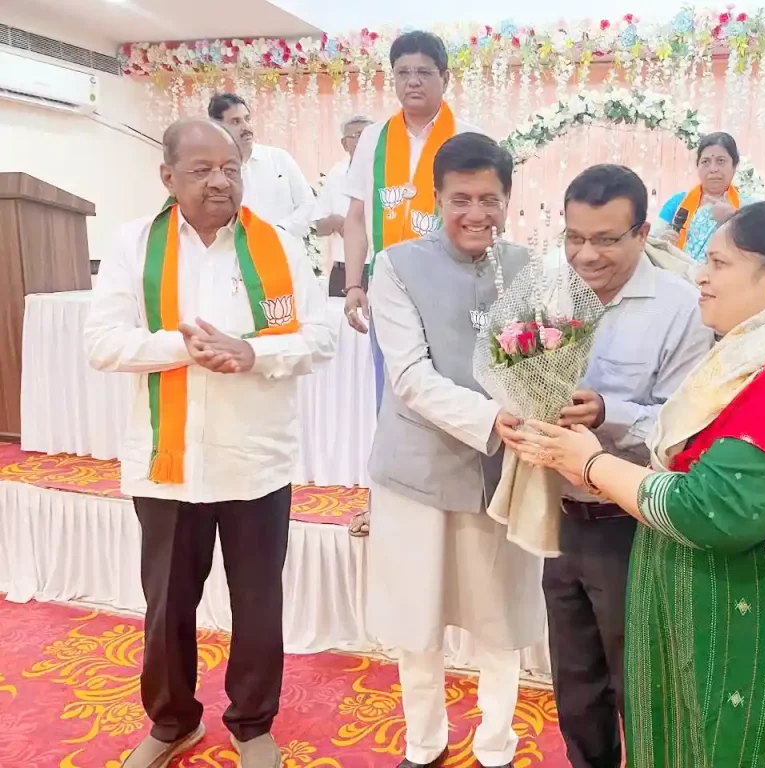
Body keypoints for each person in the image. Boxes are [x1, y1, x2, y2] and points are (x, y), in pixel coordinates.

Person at [513, 201, 765, 768]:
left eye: (718, 263)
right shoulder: (753, 357)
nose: (700, 274)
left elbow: (715, 509)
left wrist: (595, 465)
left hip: (764, 634)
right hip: (718, 623)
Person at [83, 119, 336, 768]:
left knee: (258, 605)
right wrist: (184, 346)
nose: (220, 179)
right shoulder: (133, 245)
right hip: (168, 467)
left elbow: (319, 339)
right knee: (167, 607)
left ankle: (252, 724)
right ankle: (172, 724)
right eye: (201, 169)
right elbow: (102, 342)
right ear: (167, 178)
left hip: (256, 462)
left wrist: (252, 352)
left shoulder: (276, 243)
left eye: (229, 166)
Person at [365, 132, 543, 768]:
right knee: (416, 623)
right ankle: (424, 743)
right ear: (436, 199)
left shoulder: (531, 269)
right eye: (460, 199)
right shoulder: (396, 265)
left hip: (507, 476)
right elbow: (408, 376)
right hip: (416, 473)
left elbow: (547, 360)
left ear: (508, 200)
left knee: (503, 619)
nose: (476, 214)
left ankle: (496, 746)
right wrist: (496, 417)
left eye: (489, 199)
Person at [526, 165, 712, 768]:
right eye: (574, 238)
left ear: (640, 233)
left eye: (606, 239)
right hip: (560, 515)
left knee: (642, 682)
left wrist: (607, 411)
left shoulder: (682, 308)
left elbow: (685, 429)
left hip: (634, 523)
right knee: (575, 681)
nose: (587, 254)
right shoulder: (549, 291)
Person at [342, 30, 479, 537]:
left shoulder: (468, 135)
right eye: (403, 72)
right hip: (389, 287)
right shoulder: (375, 138)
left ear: (445, 77)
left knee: (452, 391)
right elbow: (355, 217)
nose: (413, 81)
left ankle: (456, 506)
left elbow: (483, 214)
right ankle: (388, 505)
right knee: (392, 397)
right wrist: (354, 284)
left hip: (451, 289)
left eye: (424, 72)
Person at [209, 92, 315, 240]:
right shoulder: (213, 170)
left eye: (247, 119)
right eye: (235, 122)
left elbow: (307, 203)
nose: (245, 127)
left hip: (284, 251)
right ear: (217, 127)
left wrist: (281, 230)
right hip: (238, 255)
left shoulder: (279, 159)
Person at [651, 132, 751, 262]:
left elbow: (760, 252)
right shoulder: (677, 203)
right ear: (697, 166)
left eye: (721, 161)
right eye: (705, 161)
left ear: (734, 165)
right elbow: (649, 244)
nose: (713, 169)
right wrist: (661, 243)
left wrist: (733, 218)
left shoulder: (748, 207)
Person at [314, 115, 372, 296]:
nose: (364, 141)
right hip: (343, 269)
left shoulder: (389, 171)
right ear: (345, 144)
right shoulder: (336, 174)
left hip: (380, 269)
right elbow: (319, 228)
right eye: (357, 135)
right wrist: (336, 222)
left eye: (368, 135)